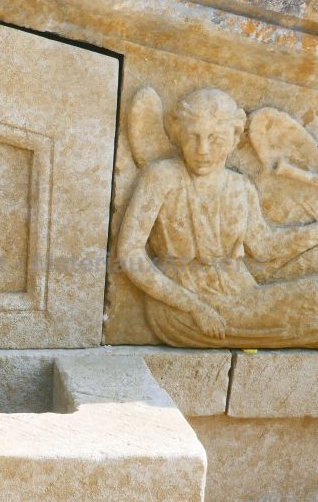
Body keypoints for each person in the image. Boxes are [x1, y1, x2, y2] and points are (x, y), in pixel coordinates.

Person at [118, 88, 318, 347]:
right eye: (193, 137)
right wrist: (193, 306)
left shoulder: (241, 187)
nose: (203, 150)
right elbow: (130, 254)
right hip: (183, 305)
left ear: (234, 139)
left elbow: (264, 246)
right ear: (178, 134)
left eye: (215, 139)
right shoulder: (163, 176)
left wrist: (313, 234)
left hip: (239, 293)